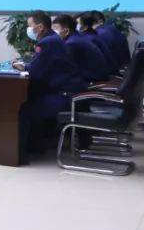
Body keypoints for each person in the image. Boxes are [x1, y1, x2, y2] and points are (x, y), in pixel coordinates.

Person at [12, 11, 87, 160]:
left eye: (30, 26)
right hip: (71, 93)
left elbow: (35, 72)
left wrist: (24, 67)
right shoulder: (53, 38)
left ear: (40, 27)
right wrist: (28, 66)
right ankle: (36, 146)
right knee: (33, 98)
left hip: (65, 97)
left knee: (23, 109)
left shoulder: (47, 42)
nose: (29, 30)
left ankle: (19, 155)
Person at [53, 14, 111, 83]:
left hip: (93, 78)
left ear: (67, 31)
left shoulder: (71, 43)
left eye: (56, 29)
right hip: (97, 75)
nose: (53, 32)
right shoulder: (76, 37)